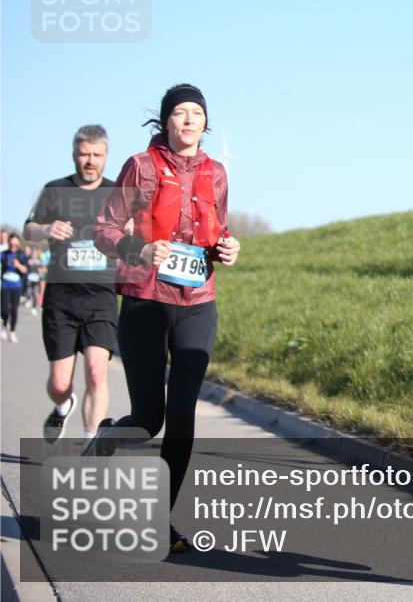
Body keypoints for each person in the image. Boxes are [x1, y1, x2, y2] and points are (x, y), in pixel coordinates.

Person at [87, 84, 241, 554]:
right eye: (180, 113)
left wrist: (228, 247)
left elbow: (219, 228)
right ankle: (109, 436)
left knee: (181, 415)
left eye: (197, 113)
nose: (189, 120)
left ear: (205, 123)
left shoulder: (216, 172)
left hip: (198, 302)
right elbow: (103, 229)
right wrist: (139, 248)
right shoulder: (141, 166)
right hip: (145, 300)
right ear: (165, 120)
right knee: (149, 419)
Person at [24, 125, 119, 443]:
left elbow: (136, 231)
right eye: (84, 154)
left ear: (106, 155)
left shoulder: (116, 194)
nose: (90, 161)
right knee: (59, 383)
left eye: (97, 155)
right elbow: (28, 230)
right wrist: (46, 229)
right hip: (61, 298)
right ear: (74, 155)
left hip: (101, 296)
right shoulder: (55, 190)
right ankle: (63, 405)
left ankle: (90, 442)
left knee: (96, 371)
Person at [1, 234, 29, 343]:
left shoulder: (21, 255)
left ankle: (12, 331)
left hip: (16, 286)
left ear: (18, 243)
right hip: (5, 285)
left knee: (14, 310)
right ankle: (4, 326)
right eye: (11, 243)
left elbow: (25, 270)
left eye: (15, 243)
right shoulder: (4, 254)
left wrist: (18, 265)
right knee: (4, 309)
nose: (13, 245)